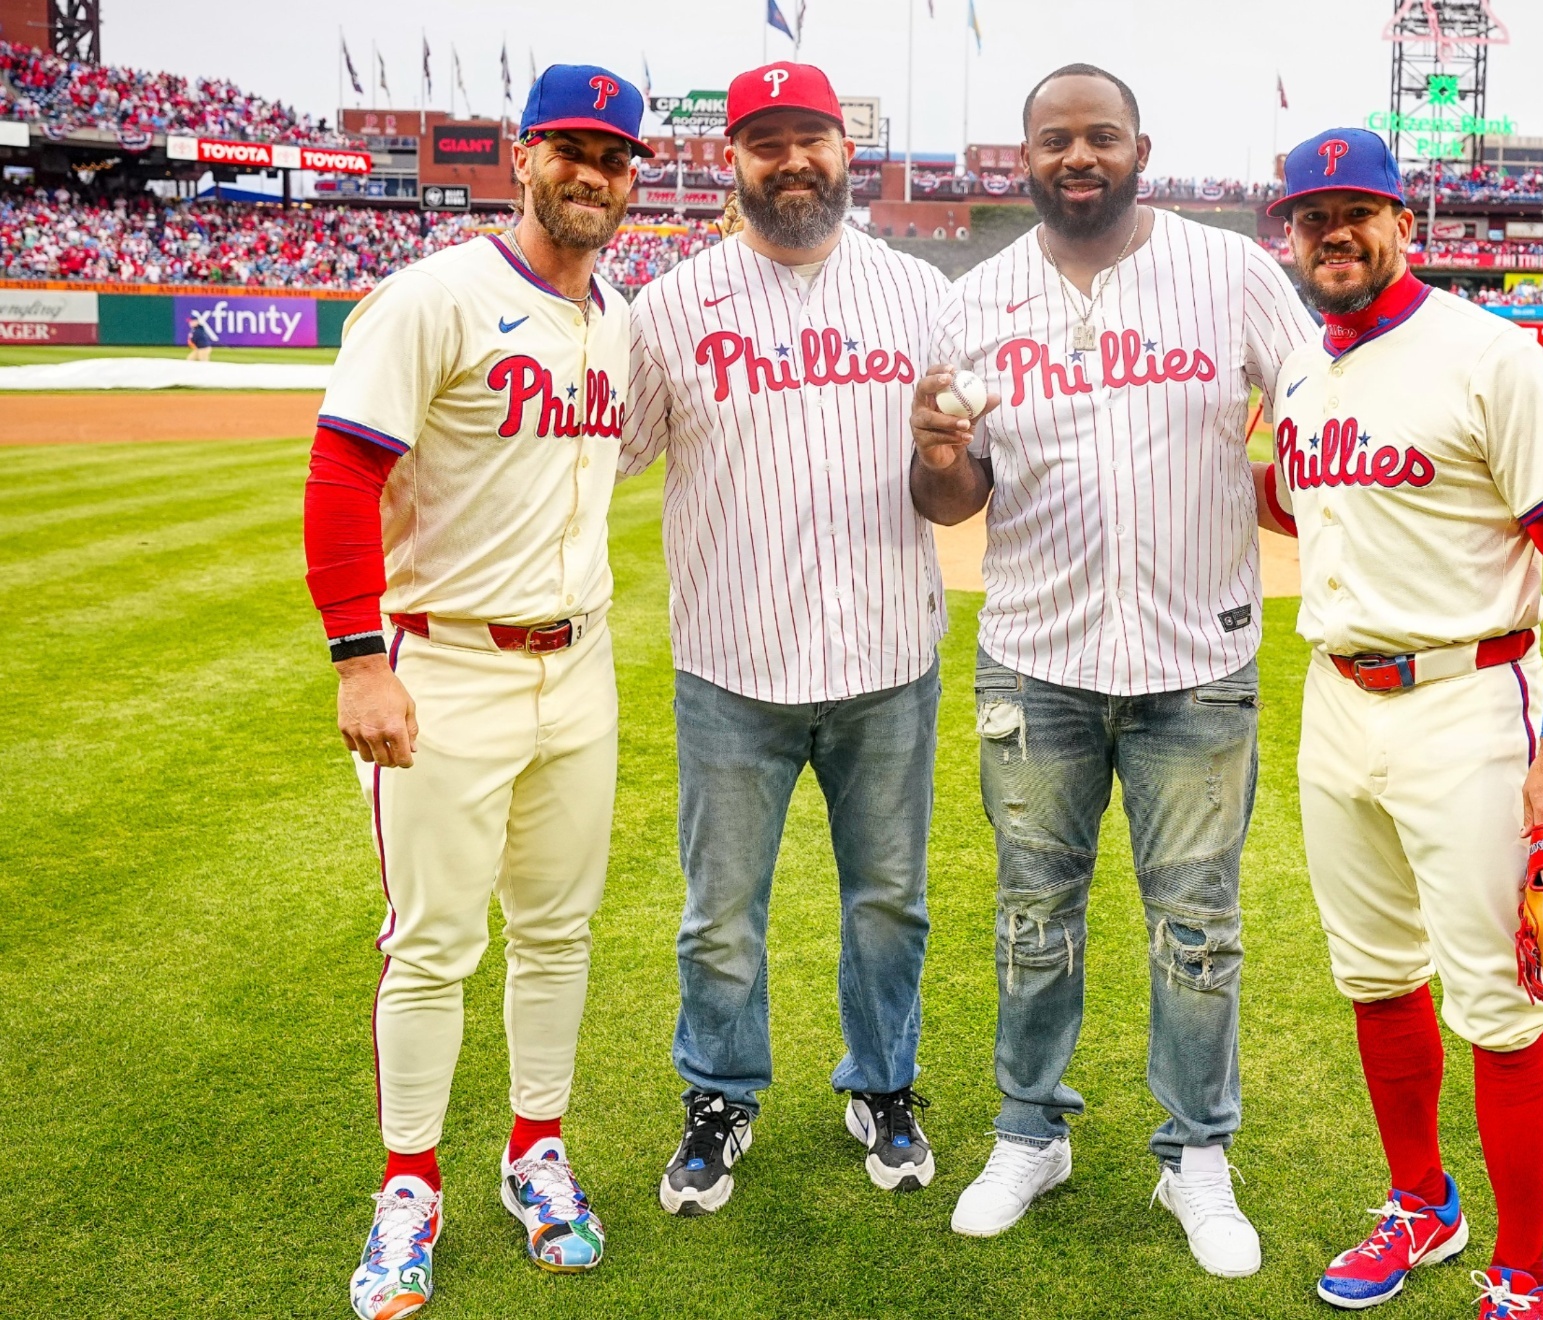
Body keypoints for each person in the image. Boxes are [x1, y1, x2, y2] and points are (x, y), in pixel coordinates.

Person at [909, 63, 1316, 1278]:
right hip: (1037, 660)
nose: (1076, 157)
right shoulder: (972, 301)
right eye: (1053, 141)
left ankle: (1198, 1155)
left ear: (1142, 147)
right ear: (1021, 159)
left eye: (1099, 137)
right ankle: (1030, 1132)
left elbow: (1318, 414)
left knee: (1198, 927)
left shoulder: (1230, 271)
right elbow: (950, 494)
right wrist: (937, 454)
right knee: (1036, 919)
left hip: (1199, 660)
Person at [303, 64, 647, 1320]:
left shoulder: (614, 317)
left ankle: (535, 1154)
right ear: (522, 155)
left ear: (632, 176)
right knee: (435, 943)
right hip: (442, 662)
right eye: (569, 147)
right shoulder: (435, 296)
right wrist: (358, 658)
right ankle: (409, 1188)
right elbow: (341, 475)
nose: (590, 172)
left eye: (613, 155)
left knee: (558, 932)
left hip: (582, 663)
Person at [1260, 128, 1543, 1320]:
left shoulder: (1487, 354)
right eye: (1313, 216)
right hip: (1335, 700)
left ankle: (1523, 1275)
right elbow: (1307, 503)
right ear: (1292, 234)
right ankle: (1422, 1204)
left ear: (1403, 223)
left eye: (1357, 209)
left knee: (1498, 1005)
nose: (1335, 233)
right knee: (1373, 975)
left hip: (1472, 702)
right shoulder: (1309, 372)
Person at [618, 62, 953, 1217]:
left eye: (809, 135)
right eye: (766, 142)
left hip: (887, 665)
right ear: (735, 162)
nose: (792, 159)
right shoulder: (670, 307)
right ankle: (719, 1097)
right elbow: (595, 450)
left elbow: (960, 465)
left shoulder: (920, 296)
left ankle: (886, 1083)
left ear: (845, 149)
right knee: (720, 915)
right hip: (731, 668)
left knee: (890, 901)